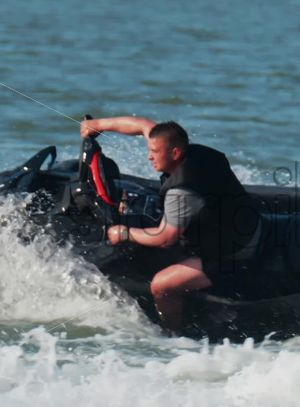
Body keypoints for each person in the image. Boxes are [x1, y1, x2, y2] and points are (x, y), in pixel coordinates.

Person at [80, 116, 260, 336]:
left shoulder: (181, 192)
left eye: (155, 152)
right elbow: (142, 126)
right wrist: (98, 125)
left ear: (175, 153)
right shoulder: (187, 149)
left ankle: (172, 335)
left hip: (234, 251)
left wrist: (124, 233)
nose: (149, 156)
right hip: (242, 224)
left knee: (161, 285)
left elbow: (166, 237)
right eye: (150, 150)